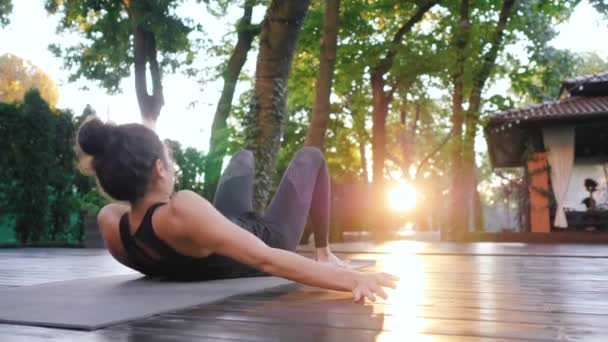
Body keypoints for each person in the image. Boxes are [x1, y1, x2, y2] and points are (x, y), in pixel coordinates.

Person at [76, 117, 398, 302]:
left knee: (243, 156)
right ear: (159, 169)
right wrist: (348, 278)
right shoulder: (181, 210)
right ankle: (325, 251)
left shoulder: (113, 224)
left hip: (225, 232)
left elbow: (160, 262)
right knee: (311, 155)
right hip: (270, 239)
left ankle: (311, 246)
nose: (173, 167)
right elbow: (266, 258)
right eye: (170, 160)